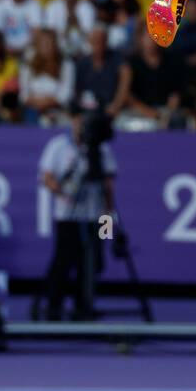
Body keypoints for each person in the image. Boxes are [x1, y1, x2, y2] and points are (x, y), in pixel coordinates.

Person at [38, 108, 117, 321]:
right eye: (79, 119)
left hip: (95, 215)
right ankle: (53, 307)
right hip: (67, 215)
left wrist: (109, 224)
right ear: (72, 120)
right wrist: (64, 193)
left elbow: (109, 188)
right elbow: (46, 177)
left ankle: (84, 307)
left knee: (92, 262)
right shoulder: (58, 146)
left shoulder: (102, 149)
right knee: (63, 260)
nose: (82, 125)